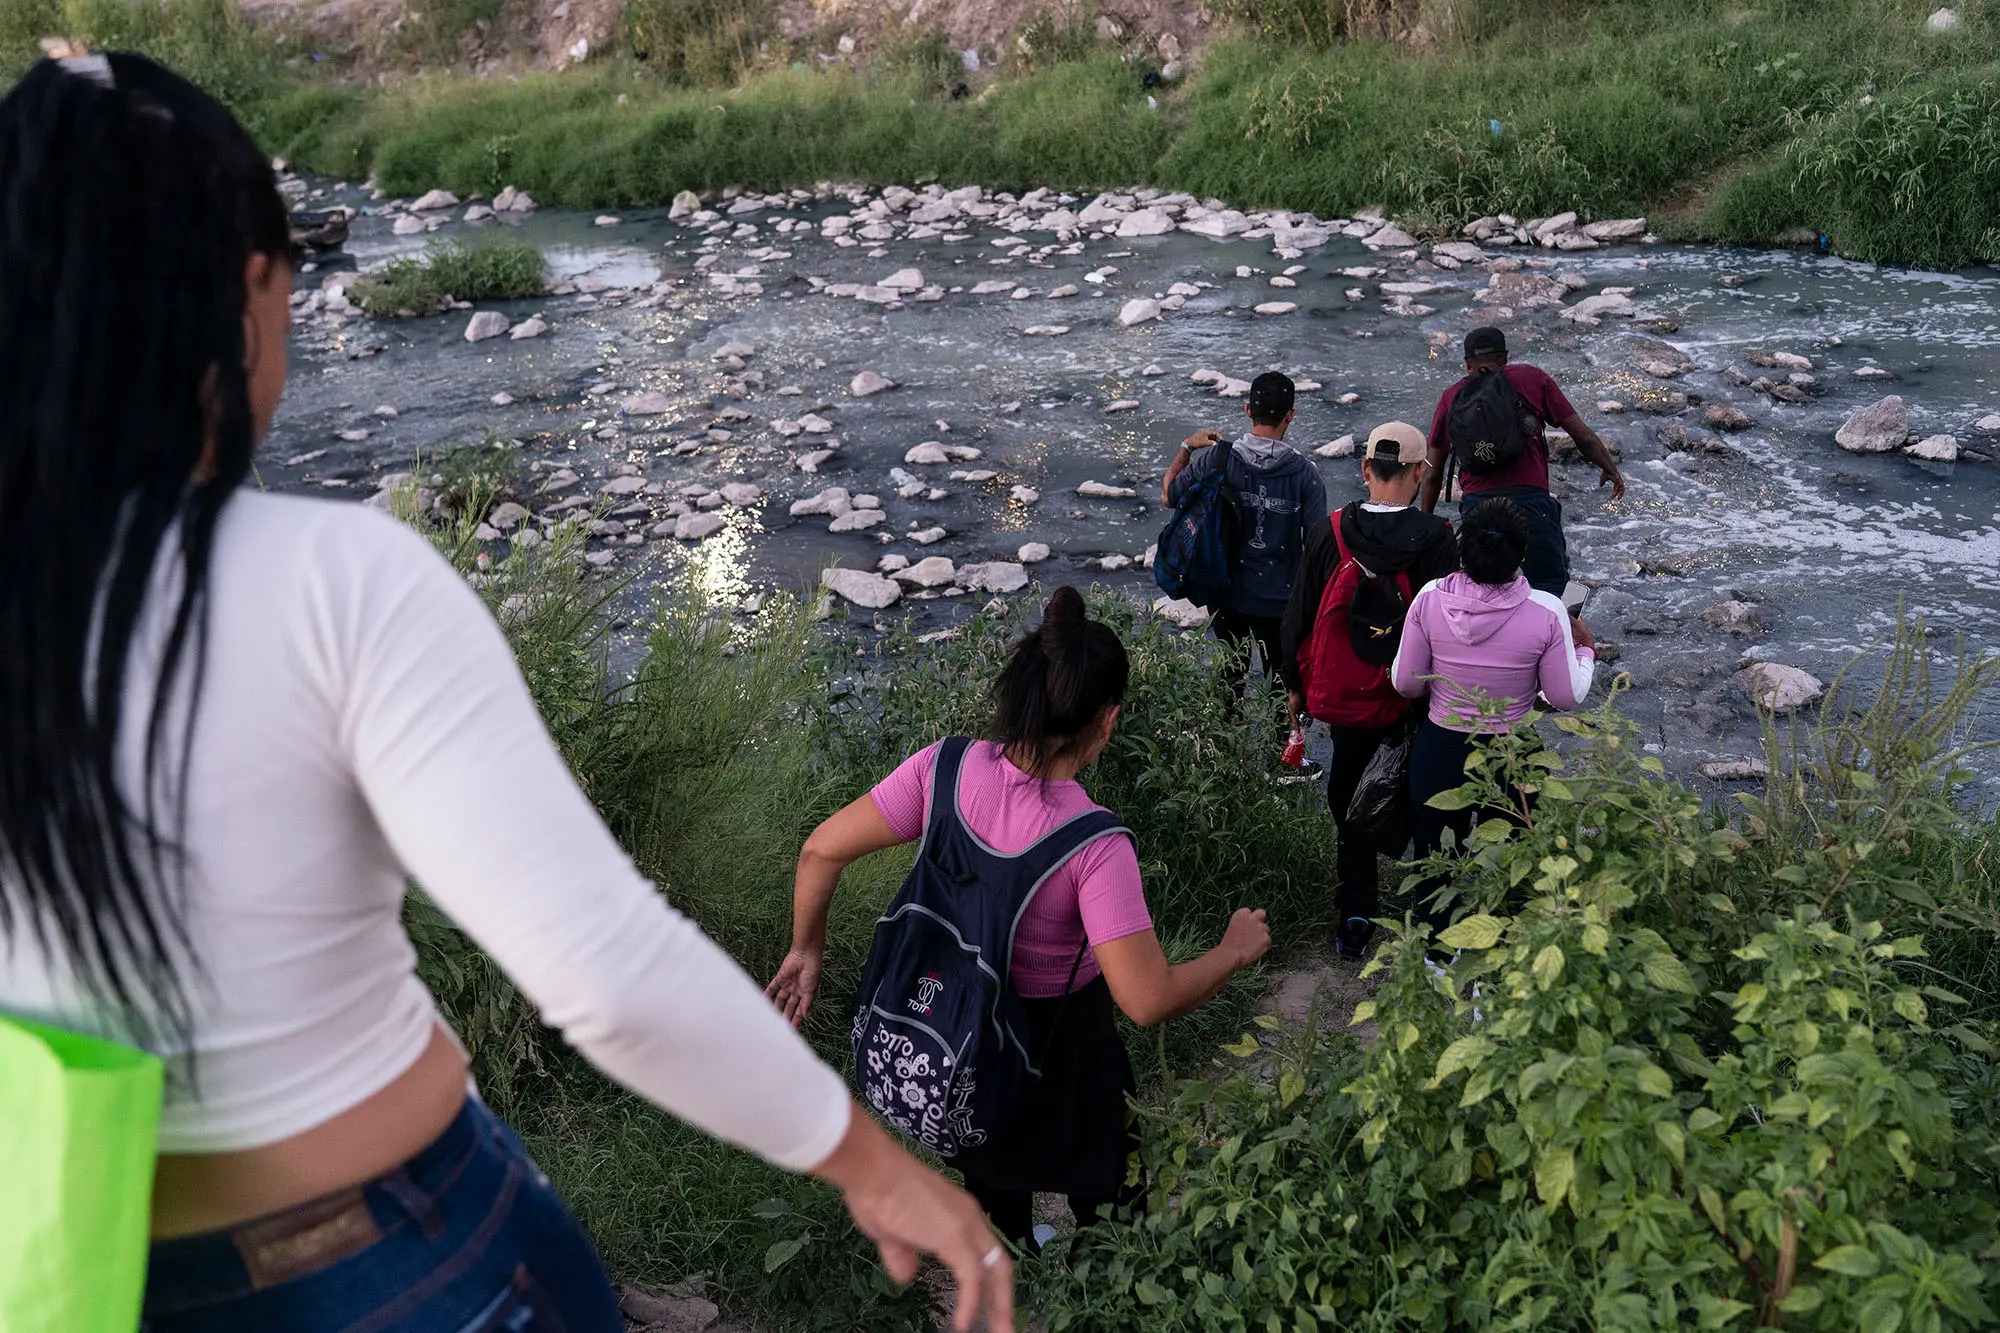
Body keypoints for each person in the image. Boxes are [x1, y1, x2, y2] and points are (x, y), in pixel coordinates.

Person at [0, 52, 1011, 1333]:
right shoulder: (334, 579)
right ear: (244, 287)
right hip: (402, 1263)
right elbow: (608, 980)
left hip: (58, 1272)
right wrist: (875, 1168)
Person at [768, 587, 1272, 1248]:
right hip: (1068, 1051)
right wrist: (1233, 949)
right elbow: (1146, 999)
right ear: (1108, 721)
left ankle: (1012, 1274)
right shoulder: (1094, 844)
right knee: (1111, 1197)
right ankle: (1103, 1288)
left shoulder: (941, 768)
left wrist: (807, 949)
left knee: (991, 1178)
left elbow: (820, 849)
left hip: (963, 1037)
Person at [1279, 423, 1458, 959]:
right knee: (1420, 792)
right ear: (1419, 472)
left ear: (1364, 470)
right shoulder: (1437, 538)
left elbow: (1299, 617)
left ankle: (1356, 913)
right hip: (1410, 695)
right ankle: (1429, 912)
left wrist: (1294, 684)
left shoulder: (1330, 530)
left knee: (1349, 792)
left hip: (1344, 696)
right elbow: (1444, 627)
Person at [1389, 500, 1598, 925]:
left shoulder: (1430, 598)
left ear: (1462, 552)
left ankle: (1434, 956)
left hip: (1441, 747)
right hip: (1512, 752)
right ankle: (1495, 964)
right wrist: (1586, 651)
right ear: (1522, 555)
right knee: (1510, 862)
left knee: (1435, 856)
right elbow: (1565, 696)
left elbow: (1406, 683)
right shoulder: (1545, 610)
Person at [1421, 326, 1626, 598]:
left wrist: (1425, 521)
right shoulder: (1532, 378)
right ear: (1505, 357)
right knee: (1553, 586)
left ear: (1467, 363)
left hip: (1478, 507)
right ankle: (1564, 637)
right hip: (1532, 504)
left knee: (1483, 587)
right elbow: (1581, 435)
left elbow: (1432, 471)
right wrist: (1610, 468)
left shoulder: (1453, 396)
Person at [1161, 371, 1329, 692]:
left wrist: (1186, 447)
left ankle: (1226, 741)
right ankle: (1277, 742)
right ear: (1290, 416)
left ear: (1248, 410)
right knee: (1280, 689)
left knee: (1229, 680)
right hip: (1279, 603)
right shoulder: (1305, 474)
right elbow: (1317, 548)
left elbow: (1169, 496)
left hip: (1225, 594)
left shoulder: (1216, 458)